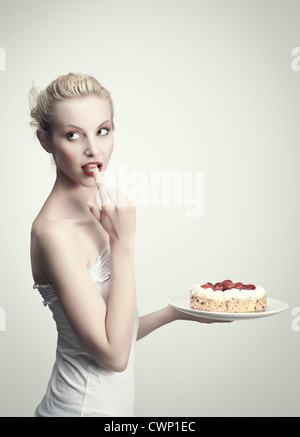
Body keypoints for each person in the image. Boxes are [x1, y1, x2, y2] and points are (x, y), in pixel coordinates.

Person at [30, 72, 222, 417]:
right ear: (46, 140)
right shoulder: (53, 233)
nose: (93, 148)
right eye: (73, 135)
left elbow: (113, 330)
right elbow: (114, 355)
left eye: (103, 130)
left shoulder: (100, 213)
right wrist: (124, 242)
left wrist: (174, 314)